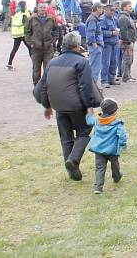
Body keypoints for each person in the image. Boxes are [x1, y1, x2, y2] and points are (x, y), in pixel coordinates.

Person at [33, 31, 103, 181]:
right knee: (84, 132)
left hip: (58, 106)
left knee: (66, 138)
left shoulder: (52, 62)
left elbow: (44, 86)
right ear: (77, 46)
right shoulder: (82, 62)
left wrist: (47, 105)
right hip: (76, 106)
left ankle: (72, 171)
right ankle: (73, 160)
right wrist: (90, 106)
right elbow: (85, 86)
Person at [86, 98, 127, 194]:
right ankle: (116, 177)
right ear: (114, 112)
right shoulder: (117, 124)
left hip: (99, 150)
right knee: (115, 165)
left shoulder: (97, 121)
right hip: (112, 151)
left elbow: (89, 120)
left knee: (99, 168)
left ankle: (98, 187)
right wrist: (123, 144)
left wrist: (89, 112)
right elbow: (122, 136)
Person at [25, 2, 58, 85]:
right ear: (37, 8)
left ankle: (47, 87)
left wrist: (53, 41)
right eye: (41, 7)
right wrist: (30, 43)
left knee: (48, 68)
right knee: (36, 70)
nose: (42, 9)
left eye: (44, 7)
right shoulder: (31, 19)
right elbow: (26, 32)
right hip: (36, 48)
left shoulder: (51, 18)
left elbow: (56, 30)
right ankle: (36, 86)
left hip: (48, 48)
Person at [7, 1, 32, 70]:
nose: (27, 6)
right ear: (24, 6)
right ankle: (34, 63)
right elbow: (26, 24)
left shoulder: (17, 14)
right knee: (30, 48)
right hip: (23, 33)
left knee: (14, 49)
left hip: (17, 34)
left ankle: (9, 63)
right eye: (26, 5)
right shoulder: (24, 14)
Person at [100, 4, 120, 88]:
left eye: (114, 10)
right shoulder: (102, 19)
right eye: (111, 10)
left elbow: (116, 28)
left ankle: (111, 79)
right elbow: (100, 32)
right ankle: (104, 80)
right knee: (106, 63)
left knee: (114, 62)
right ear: (106, 10)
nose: (113, 12)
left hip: (115, 43)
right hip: (107, 44)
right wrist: (111, 33)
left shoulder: (114, 18)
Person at [85, 3, 105, 85]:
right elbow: (91, 33)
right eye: (101, 8)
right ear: (97, 8)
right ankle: (93, 87)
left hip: (96, 45)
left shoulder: (94, 18)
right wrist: (94, 44)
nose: (102, 10)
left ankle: (93, 85)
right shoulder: (93, 19)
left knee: (94, 67)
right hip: (95, 46)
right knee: (95, 68)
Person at [117, 0, 136, 82]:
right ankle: (126, 77)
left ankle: (128, 75)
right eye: (129, 6)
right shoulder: (123, 17)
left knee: (130, 59)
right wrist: (127, 41)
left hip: (130, 41)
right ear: (124, 7)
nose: (131, 7)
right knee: (127, 59)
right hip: (127, 42)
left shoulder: (128, 16)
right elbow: (123, 31)